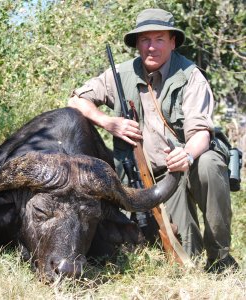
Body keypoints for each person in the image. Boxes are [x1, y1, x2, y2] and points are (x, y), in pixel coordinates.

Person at [68, 8, 238, 273]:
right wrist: (107, 122)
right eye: (145, 39)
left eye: (159, 39)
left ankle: (220, 258)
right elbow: (75, 100)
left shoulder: (191, 76)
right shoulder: (120, 74)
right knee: (183, 258)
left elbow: (201, 133)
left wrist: (187, 156)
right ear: (137, 43)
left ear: (172, 42)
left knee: (208, 165)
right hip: (151, 178)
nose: (152, 47)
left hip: (189, 162)